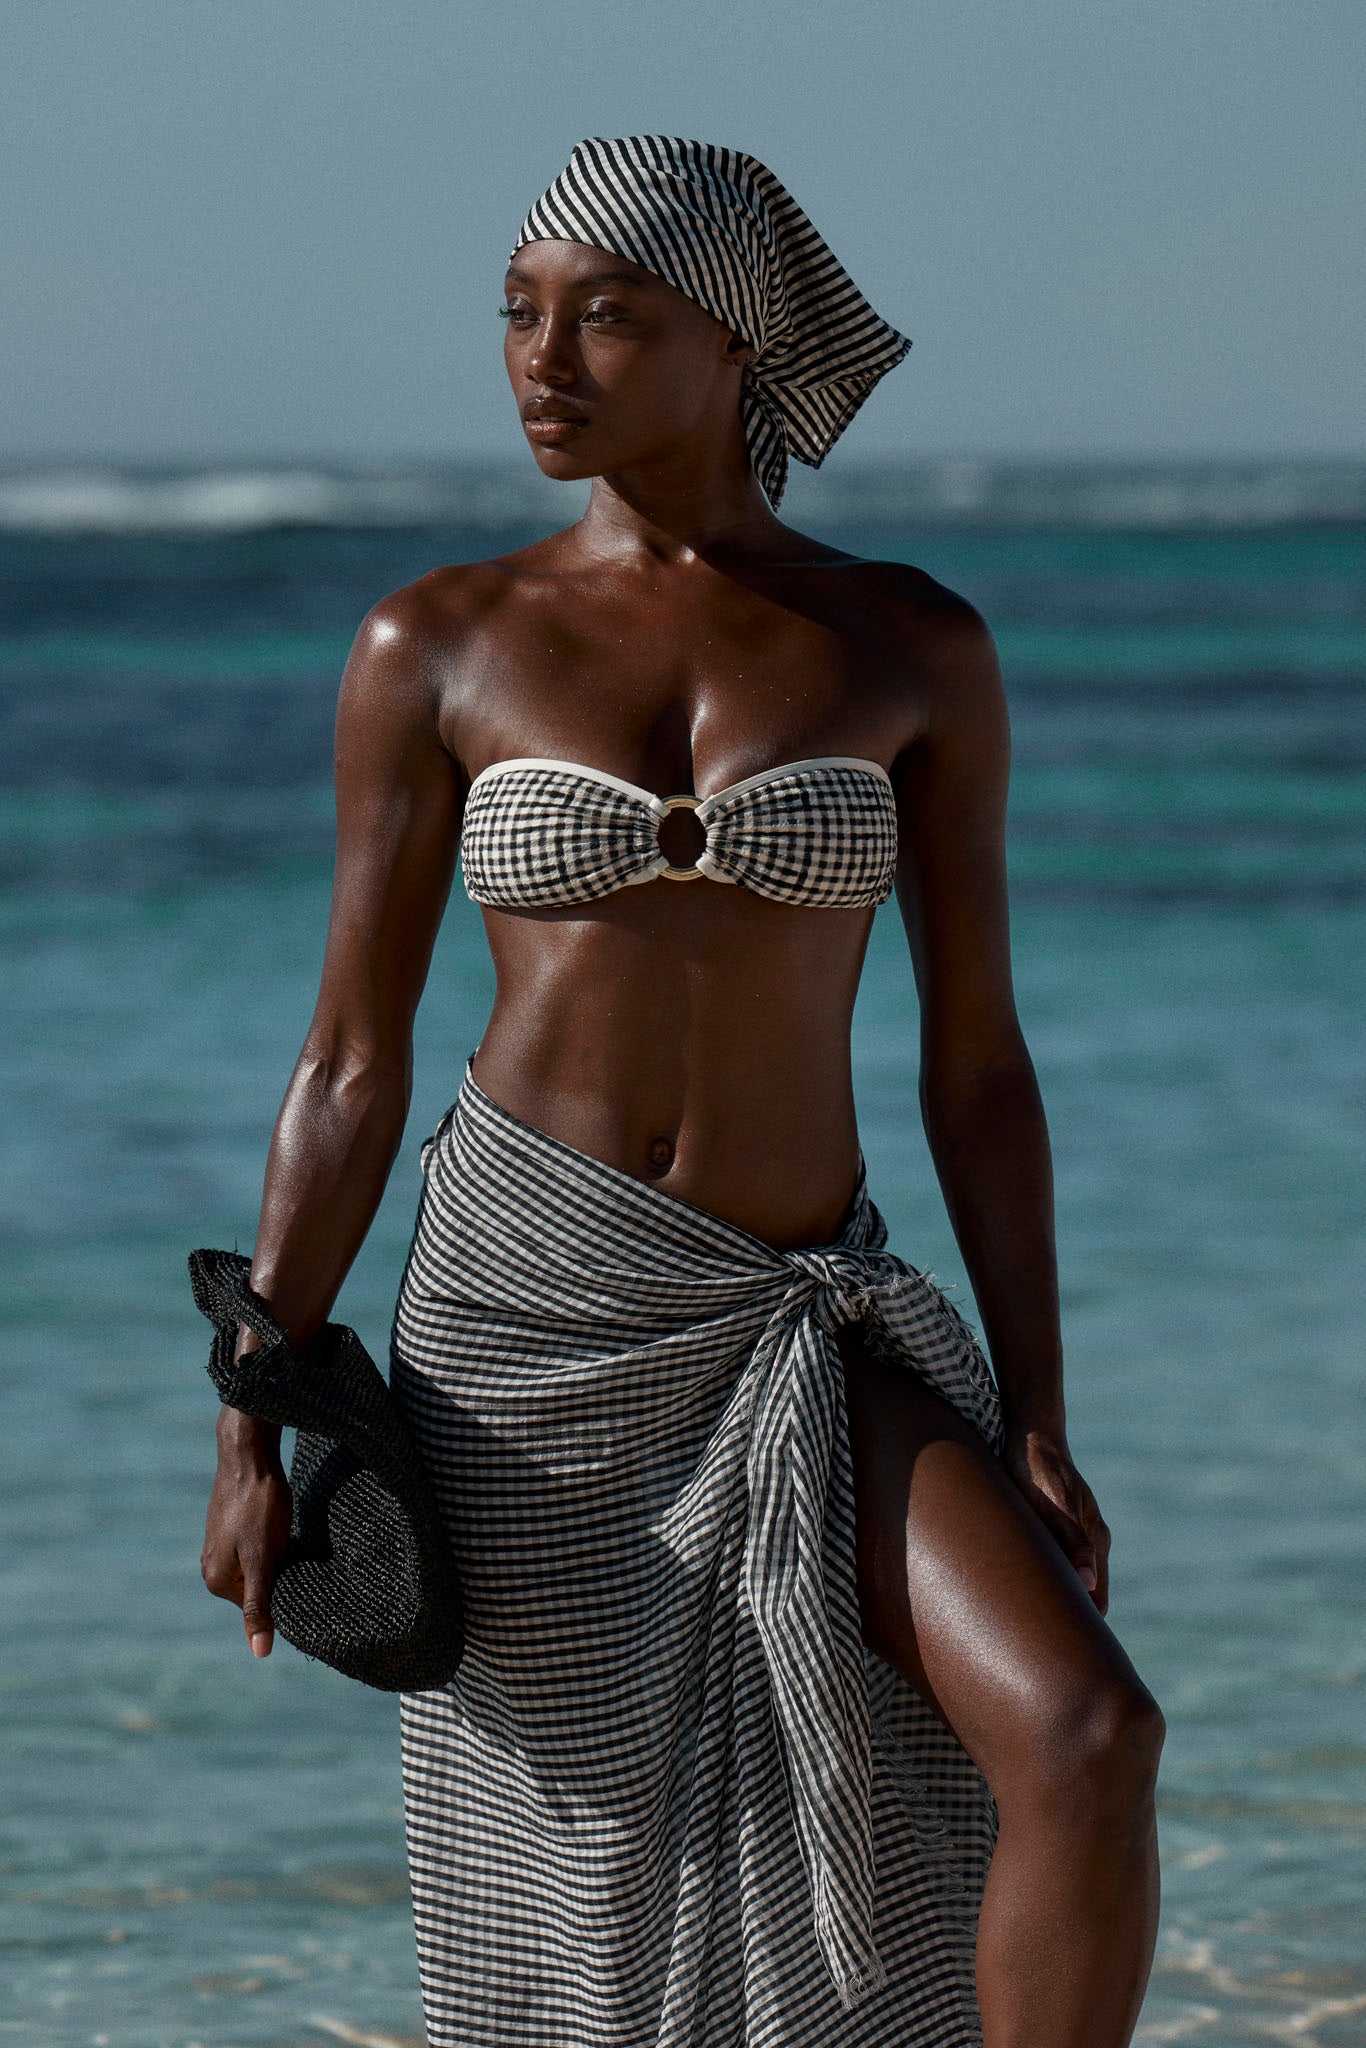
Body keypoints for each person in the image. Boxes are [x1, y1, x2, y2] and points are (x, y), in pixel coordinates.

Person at [201, 136, 1165, 2048]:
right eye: (518, 312)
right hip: (525, 1319)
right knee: (592, 1869)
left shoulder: (906, 643)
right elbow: (349, 1061)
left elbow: (975, 1059)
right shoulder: (438, 641)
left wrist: (1037, 1408)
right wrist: (258, 1408)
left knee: (1084, 1728)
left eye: (609, 317)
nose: (541, 358)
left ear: (732, 342)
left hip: (797, 1306)